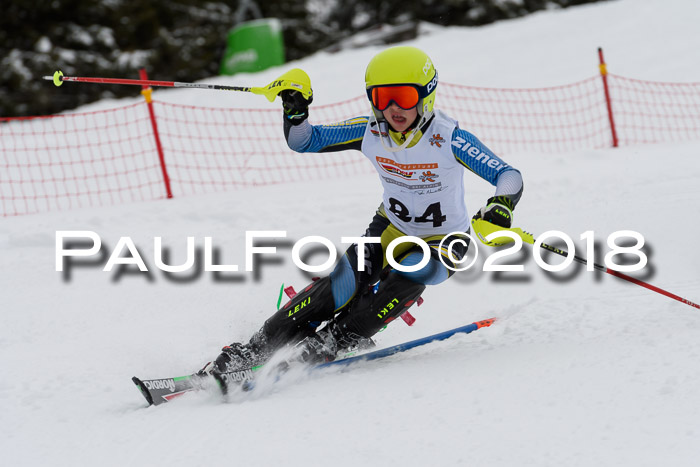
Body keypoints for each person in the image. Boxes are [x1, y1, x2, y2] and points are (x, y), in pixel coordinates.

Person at [201, 46, 523, 375]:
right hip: (390, 228)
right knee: (342, 284)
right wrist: (295, 111)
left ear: (426, 96)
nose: (393, 108)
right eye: (382, 98)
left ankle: (335, 340)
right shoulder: (370, 131)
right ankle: (254, 349)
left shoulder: (450, 139)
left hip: (445, 241)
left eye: (403, 96)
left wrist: (501, 206)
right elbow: (305, 141)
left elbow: (508, 175)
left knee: (413, 269)